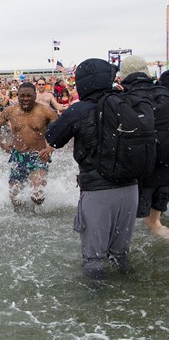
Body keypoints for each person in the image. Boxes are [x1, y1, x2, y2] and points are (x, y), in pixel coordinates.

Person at [45, 58, 137, 279]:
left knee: (93, 260)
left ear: (83, 83)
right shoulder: (126, 102)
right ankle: (131, 301)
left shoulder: (79, 110)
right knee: (120, 255)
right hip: (131, 189)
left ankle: (95, 308)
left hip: (97, 191)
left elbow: (53, 137)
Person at [119, 55, 169, 239]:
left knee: (126, 224)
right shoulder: (165, 93)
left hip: (140, 172)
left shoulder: (124, 99)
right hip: (166, 169)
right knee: (154, 223)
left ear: (124, 75)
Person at [0, 83, 57, 209]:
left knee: (37, 196)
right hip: (18, 156)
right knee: (14, 199)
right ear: (18, 96)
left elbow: (60, 129)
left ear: (35, 96)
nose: (25, 99)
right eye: (22, 96)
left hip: (38, 155)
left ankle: (39, 218)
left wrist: (50, 148)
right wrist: (2, 144)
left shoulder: (45, 111)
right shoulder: (11, 111)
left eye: (29, 96)